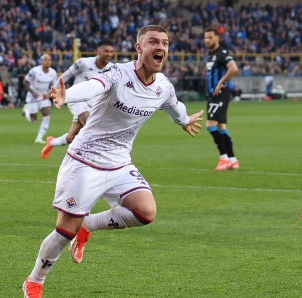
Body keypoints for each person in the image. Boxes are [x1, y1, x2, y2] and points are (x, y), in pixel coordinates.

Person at [22, 25, 204, 298]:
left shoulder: (163, 86)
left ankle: (89, 225)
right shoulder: (118, 73)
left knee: (145, 212)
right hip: (85, 161)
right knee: (63, 232)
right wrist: (66, 95)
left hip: (120, 164)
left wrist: (185, 121)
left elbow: (175, 108)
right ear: (139, 48)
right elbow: (93, 86)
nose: (161, 47)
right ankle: (34, 281)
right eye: (153, 42)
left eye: (165, 43)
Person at [41, 40, 114, 159]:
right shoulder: (83, 63)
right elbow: (66, 76)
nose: (109, 54)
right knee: (90, 125)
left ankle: (51, 142)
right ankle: (94, 159)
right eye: (106, 51)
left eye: (111, 52)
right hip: (77, 101)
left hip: (94, 104)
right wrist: (52, 91)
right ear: (98, 52)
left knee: (72, 137)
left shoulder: (111, 69)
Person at [204, 27, 239, 171]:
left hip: (219, 93)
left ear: (217, 38)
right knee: (221, 127)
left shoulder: (221, 53)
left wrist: (220, 83)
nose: (207, 40)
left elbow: (234, 68)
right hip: (214, 94)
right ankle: (232, 159)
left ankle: (223, 158)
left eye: (210, 37)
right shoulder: (211, 55)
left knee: (210, 125)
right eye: (205, 37)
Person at [22, 54, 57, 144]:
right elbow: (25, 82)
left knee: (47, 115)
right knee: (33, 120)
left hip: (44, 97)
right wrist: (33, 92)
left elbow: (55, 86)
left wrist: (51, 94)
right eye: (45, 59)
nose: (48, 61)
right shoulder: (34, 71)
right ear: (41, 62)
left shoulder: (53, 73)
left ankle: (39, 138)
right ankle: (26, 110)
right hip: (33, 96)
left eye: (49, 60)